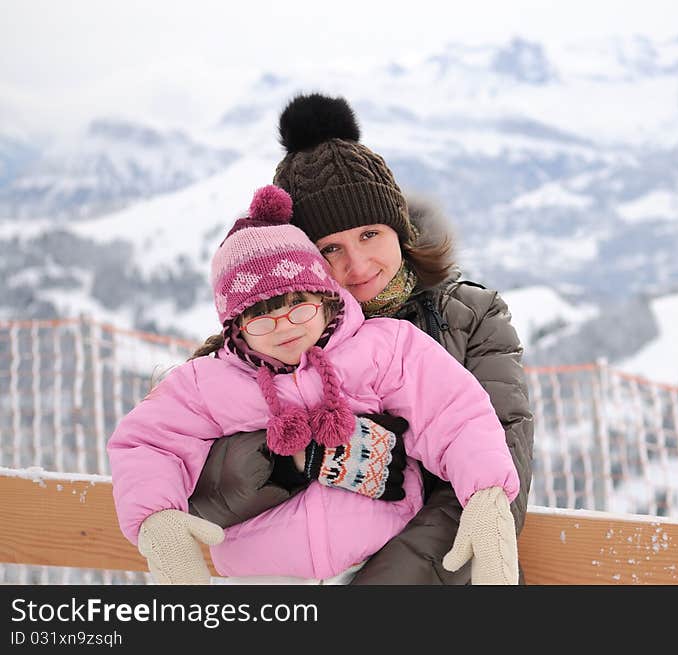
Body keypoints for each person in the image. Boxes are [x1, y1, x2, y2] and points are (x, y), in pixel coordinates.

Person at [191, 93, 534, 584]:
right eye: (330, 248)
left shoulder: (469, 319)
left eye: (370, 234)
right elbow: (190, 473)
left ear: (399, 228)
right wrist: (295, 454)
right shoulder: (270, 338)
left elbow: (495, 481)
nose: (357, 265)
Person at [107, 184, 520, 585]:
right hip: (265, 573)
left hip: (375, 555)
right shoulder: (208, 382)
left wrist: (485, 493)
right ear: (236, 327)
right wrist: (155, 518)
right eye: (262, 316)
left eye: (298, 307)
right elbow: (149, 442)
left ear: (326, 299)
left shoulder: (383, 349)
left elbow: (453, 413)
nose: (284, 327)